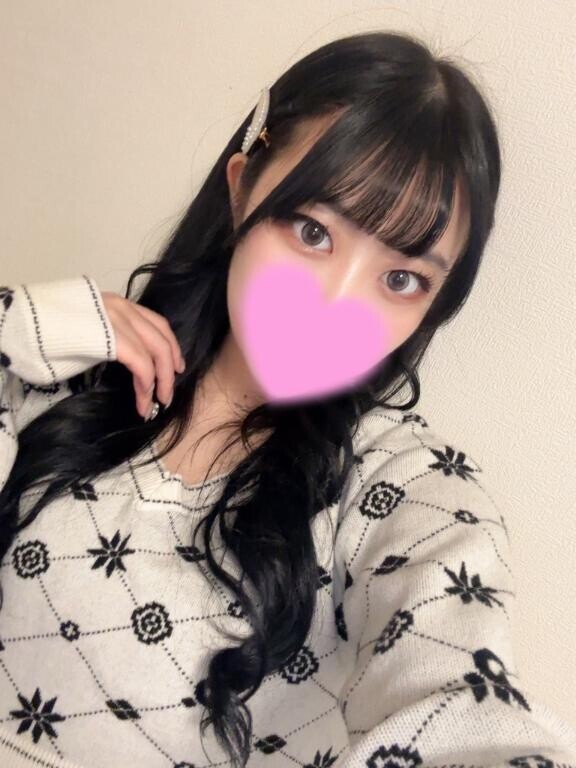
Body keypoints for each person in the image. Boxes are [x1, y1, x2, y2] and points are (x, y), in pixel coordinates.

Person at [0, 30, 575, 768]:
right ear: (242, 188)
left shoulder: (397, 490)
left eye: (402, 279)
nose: (335, 306)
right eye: (313, 231)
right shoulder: (71, 371)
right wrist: (11, 323)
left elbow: (465, 706)